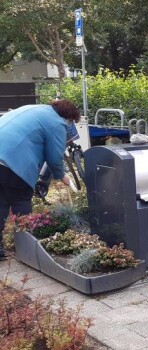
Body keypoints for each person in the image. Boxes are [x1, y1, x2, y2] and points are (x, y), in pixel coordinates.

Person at [0, 100, 80, 261]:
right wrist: (61, 175)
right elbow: (54, 156)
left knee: (1, 203)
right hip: (13, 162)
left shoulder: (33, 108)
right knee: (21, 201)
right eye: (71, 121)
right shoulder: (57, 123)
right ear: (68, 117)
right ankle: (26, 249)